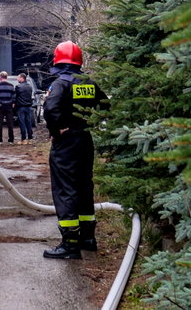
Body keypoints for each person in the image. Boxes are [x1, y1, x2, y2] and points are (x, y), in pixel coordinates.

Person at [42, 41, 109, 260]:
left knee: (65, 190)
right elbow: (105, 106)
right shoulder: (89, 83)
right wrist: (88, 122)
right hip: (85, 140)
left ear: (58, 60)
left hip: (66, 143)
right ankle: (88, 238)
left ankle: (69, 245)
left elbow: (51, 108)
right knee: (83, 187)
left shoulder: (60, 83)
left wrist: (56, 130)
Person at [0, 71, 16, 144]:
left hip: (0, 106)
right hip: (9, 106)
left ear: (0, 77)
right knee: (10, 123)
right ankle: (11, 140)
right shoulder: (11, 86)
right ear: (6, 77)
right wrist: (13, 102)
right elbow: (14, 96)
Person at [14, 73, 35, 144]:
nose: (17, 79)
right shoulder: (29, 86)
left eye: (18, 78)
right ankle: (30, 138)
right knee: (28, 122)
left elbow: (15, 97)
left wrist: (14, 104)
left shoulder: (18, 87)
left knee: (22, 123)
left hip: (21, 107)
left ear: (22, 78)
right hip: (28, 107)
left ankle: (24, 139)